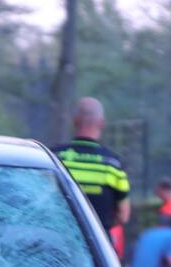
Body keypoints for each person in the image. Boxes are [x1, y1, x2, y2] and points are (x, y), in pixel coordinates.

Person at [52, 97, 131, 235]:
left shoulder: (55, 158)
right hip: (96, 248)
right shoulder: (112, 164)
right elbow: (123, 216)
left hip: (58, 242)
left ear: (75, 121)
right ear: (102, 123)